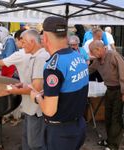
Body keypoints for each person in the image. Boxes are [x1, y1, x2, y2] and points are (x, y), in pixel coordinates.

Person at [31, 16, 89, 150]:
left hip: (60, 133)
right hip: (78, 125)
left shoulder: (54, 67)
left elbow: (49, 111)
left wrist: (37, 97)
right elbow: (70, 87)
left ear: (45, 37)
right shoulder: (78, 56)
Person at [7, 29, 49, 150]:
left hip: (36, 109)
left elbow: (37, 88)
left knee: (35, 143)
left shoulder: (41, 58)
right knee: (27, 138)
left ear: (32, 42)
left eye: (23, 42)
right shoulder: (34, 56)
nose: (21, 45)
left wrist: (14, 91)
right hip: (29, 107)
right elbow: (33, 83)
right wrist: (23, 84)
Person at [89, 40, 124, 150]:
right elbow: (90, 70)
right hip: (109, 90)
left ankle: (113, 146)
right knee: (108, 117)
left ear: (99, 49)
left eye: (92, 51)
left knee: (116, 119)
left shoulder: (113, 55)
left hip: (120, 91)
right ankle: (109, 141)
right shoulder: (98, 60)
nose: (91, 54)